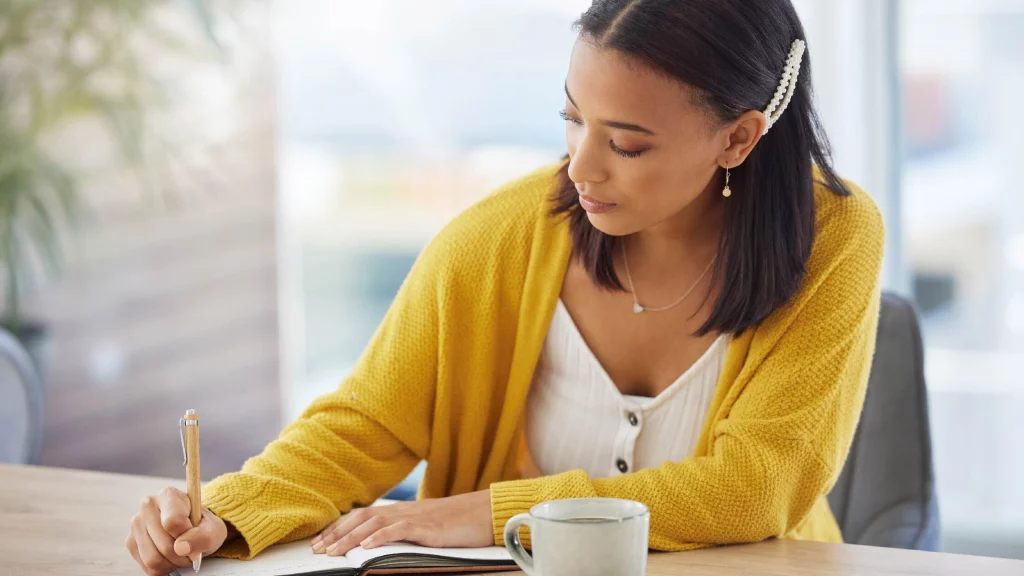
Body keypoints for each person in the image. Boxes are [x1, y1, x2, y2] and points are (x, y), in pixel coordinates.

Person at [126, 0, 885, 573]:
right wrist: (229, 510)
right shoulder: (500, 236)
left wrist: (500, 515)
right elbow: (366, 426)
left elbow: (755, 488)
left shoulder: (836, 242)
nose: (581, 167)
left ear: (739, 137)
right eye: (572, 118)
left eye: (625, 143)